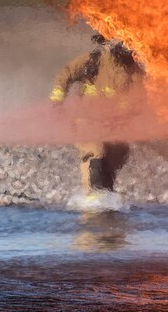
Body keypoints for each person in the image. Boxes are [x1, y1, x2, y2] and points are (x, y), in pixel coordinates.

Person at [50, 33, 145, 201]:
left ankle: (105, 198)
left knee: (115, 157)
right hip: (87, 120)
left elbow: (138, 94)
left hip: (114, 123)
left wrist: (127, 112)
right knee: (95, 152)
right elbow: (65, 75)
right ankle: (92, 197)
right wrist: (57, 102)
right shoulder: (91, 61)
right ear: (107, 43)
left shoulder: (131, 68)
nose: (124, 46)